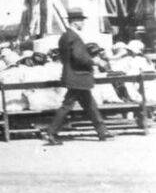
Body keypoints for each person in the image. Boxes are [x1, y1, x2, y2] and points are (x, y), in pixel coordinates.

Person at [43, 8, 114, 145]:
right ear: (75, 22)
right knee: (67, 106)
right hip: (78, 76)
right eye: (81, 20)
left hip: (75, 76)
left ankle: (102, 131)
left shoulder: (66, 36)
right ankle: (51, 133)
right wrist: (96, 61)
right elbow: (79, 57)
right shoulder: (73, 37)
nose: (83, 23)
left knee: (89, 104)